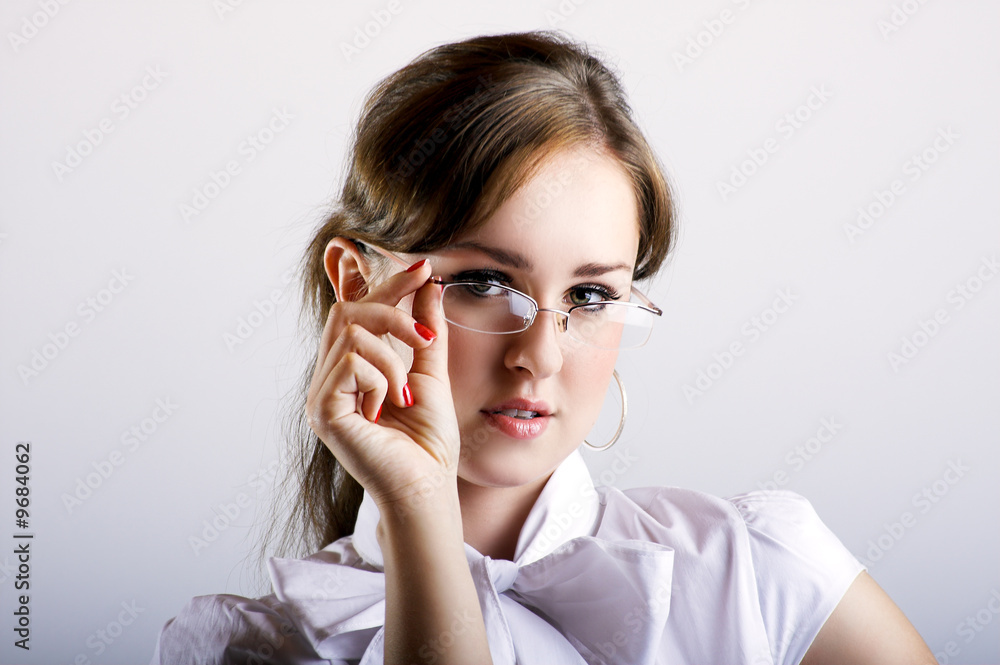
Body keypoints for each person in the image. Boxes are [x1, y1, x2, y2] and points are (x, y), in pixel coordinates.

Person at [151, 30, 937, 665]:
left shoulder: (762, 567)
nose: (542, 355)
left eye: (590, 296)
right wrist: (418, 507)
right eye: (486, 282)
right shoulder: (254, 646)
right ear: (357, 284)